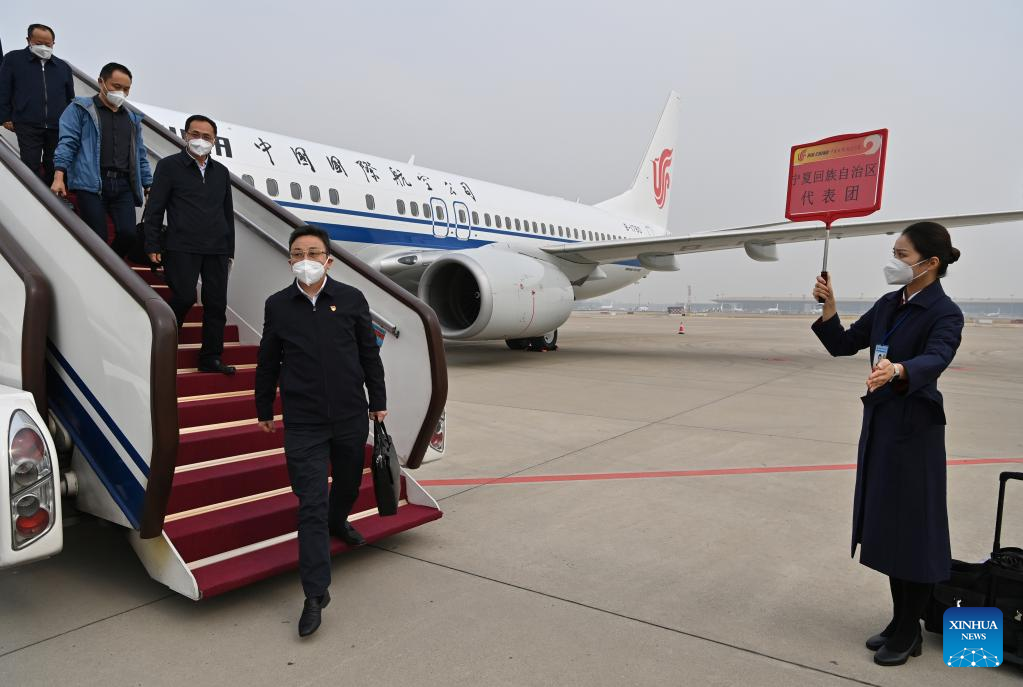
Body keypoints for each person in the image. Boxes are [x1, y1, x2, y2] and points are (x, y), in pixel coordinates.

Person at [811, 221, 964, 667]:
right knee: (888, 529)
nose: (893, 262)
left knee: (913, 532)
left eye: (901, 255)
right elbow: (843, 344)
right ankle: (901, 621)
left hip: (915, 432)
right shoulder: (889, 304)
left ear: (929, 263)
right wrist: (829, 306)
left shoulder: (944, 312)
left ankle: (909, 629)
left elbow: (938, 356)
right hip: (881, 428)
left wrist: (899, 371)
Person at [254, 226, 387, 637]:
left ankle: (340, 520)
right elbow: (268, 361)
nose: (306, 258)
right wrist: (264, 407)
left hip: (349, 416)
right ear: (290, 260)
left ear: (329, 259)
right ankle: (315, 594)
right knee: (311, 502)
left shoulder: (351, 300)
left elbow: (369, 354)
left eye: (314, 251)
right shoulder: (278, 305)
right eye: (298, 252)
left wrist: (377, 402)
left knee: (346, 485)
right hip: (303, 421)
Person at [143, 114, 235, 375]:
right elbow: (155, 208)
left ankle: (211, 358)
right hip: (181, 245)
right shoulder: (170, 166)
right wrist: (152, 245)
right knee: (184, 297)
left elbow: (226, 213)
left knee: (216, 304)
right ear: (185, 135)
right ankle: (163, 344)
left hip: (217, 248)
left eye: (207, 137)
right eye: (195, 134)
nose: (200, 141)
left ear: (214, 141)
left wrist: (230, 250)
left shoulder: (221, 173)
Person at [51, 62, 151, 257]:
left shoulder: (132, 119)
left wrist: (148, 184)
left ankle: (108, 269)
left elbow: (139, 154)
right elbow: (67, 143)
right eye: (116, 86)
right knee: (98, 236)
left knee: (129, 235)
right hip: (91, 183)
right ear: (101, 82)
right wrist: (59, 175)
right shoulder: (80, 109)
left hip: (123, 185)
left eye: (126, 89)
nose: (121, 92)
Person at [0, 24, 75, 185]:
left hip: (56, 126)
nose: (44, 47)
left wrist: (69, 124)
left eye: (48, 44)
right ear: (28, 40)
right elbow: (4, 89)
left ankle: (52, 200)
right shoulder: (13, 59)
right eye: (39, 43)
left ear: (54, 43)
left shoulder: (63, 67)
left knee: (54, 165)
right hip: (26, 122)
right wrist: (5, 116)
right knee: (30, 164)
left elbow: (70, 98)